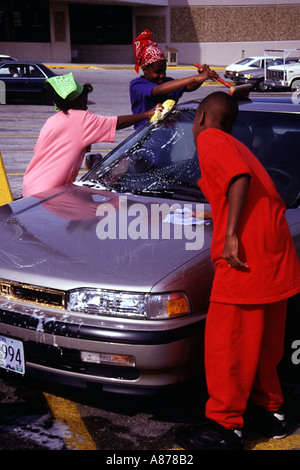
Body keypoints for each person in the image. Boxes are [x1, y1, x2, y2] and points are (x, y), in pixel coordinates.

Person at [176, 91, 300, 450]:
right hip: (272, 255)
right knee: (263, 344)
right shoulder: (234, 142)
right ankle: (269, 414)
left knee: (226, 343)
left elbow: (238, 178)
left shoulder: (211, 139)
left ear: (201, 118)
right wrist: (219, 217)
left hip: (245, 258)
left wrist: (229, 234)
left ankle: (224, 428)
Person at [22, 72, 159, 197]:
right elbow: (115, 123)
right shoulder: (81, 118)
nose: (87, 107)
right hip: (48, 193)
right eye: (84, 101)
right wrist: (147, 114)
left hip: (30, 186)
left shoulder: (53, 120)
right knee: (97, 212)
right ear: (76, 101)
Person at [130, 29, 219, 129]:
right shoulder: (137, 85)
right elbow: (159, 90)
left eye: (164, 71)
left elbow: (188, 87)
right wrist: (195, 78)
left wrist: (201, 78)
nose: (162, 75)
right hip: (146, 135)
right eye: (158, 72)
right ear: (145, 69)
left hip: (167, 133)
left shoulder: (168, 81)